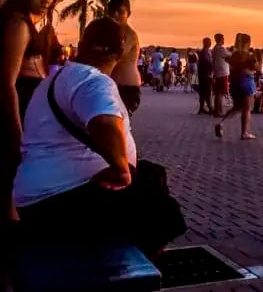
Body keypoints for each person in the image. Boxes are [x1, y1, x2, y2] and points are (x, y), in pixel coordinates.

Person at [14, 17, 185, 256]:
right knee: (166, 215)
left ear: (82, 45)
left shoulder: (60, 77)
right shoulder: (93, 81)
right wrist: (121, 169)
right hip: (57, 201)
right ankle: (129, 272)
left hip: (37, 195)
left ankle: (133, 258)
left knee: (152, 174)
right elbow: (104, 124)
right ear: (120, 53)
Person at [1, 0, 60, 221]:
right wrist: (17, 130)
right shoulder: (19, 24)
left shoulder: (26, 23)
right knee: (10, 177)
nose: (47, 0)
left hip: (28, 104)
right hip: (20, 104)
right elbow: (7, 82)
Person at [214, 33, 258, 140]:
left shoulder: (234, 55)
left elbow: (231, 65)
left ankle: (222, 123)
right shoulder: (249, 55)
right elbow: (256, 68)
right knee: (247, 108)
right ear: (248, 43)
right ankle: (245, 132)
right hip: (247, 82)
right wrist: (259, 57)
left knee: (237, 107)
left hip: (235, 83)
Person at [107, 0, 143, 115]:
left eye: (121, 12)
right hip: (114, 85)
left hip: (127, 87)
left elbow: (117, 54)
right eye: (113, 11)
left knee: (119, 123)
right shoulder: (113, 33)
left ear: (128, 14)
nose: (116, 15)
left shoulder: (129, 34)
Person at [211, 33, 230, 116]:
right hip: (222, 73)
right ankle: (218, 111)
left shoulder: (215, 48)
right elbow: (230, 55)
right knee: (220, 93)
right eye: (223, 38)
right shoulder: (221, 48)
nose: (224, 40)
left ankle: (218, 110)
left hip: (217, 72)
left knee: (218, 93)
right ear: (220, 39)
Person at [196, 37, 214, 114]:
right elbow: (207, 63)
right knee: (207, 91)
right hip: (205, 74)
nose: (210, 43)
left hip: (203, 73)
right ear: (205, 43)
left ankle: (202, 107)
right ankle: (210, 108)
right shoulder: (205, 52)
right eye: (209, 42)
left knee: (203, 91)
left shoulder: (205, 51)